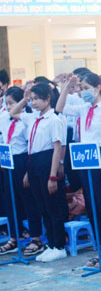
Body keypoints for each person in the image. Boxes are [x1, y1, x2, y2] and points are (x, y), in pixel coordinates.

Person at [56, 73, 101, 267]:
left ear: (97, 88)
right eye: (81, 88)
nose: (83, 92)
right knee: (91, 206)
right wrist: (68, 86)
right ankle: (100, 247)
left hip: (100, 156)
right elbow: (59, 108)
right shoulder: (84, 108)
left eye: (86, 88)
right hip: (83, 157)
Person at [10, 82, 68, 262]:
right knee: (42, 206)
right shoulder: (32, 117)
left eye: (36, 99)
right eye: (32, 99)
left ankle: (59, 245)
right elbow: (13, 113)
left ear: (48, 98)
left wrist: (53, 175)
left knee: (53, 206)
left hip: (47, 160)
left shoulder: (54, 119)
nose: (33, 103)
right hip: (33, 161)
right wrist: (25, 98)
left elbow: (57, 148)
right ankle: (50, 244)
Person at [0, 87, 42, 256]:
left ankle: (36, 238)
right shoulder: (3, 118)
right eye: (7, 103)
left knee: (28, 201)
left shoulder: (27, 119)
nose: (9, 107)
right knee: (11, 202)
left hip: (23, 159)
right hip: (8, 161)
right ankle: (14, 238)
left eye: (12, 103)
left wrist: (27, 171)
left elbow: (29, 145)